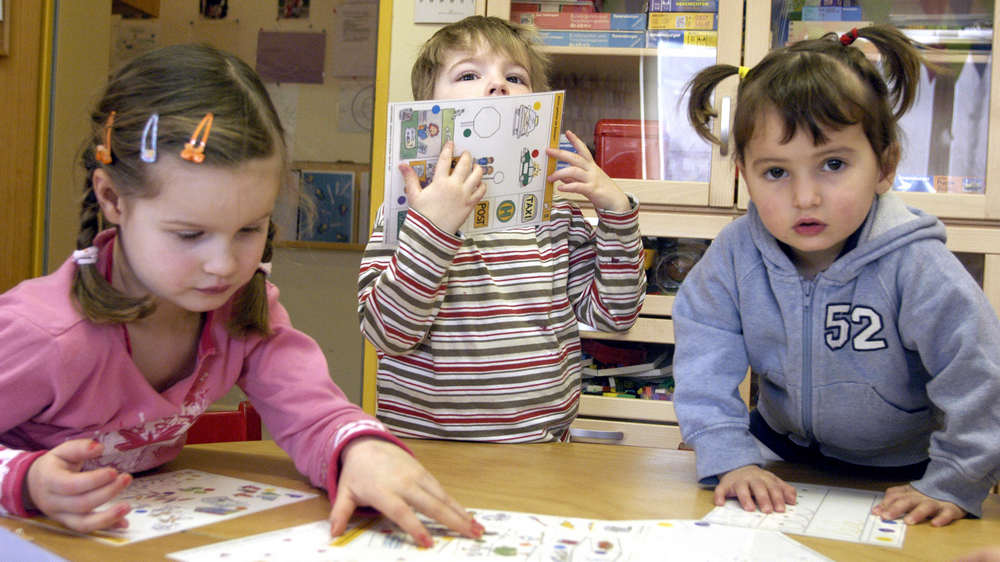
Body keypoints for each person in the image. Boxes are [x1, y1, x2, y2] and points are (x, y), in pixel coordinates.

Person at [0, 44, 483, 548]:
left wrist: (360, 451)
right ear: (113, 200)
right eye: (189, 235)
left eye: (249, 229)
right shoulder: (43, 333)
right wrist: (26, 480)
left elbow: (314, 414)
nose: (224, 265)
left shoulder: (241, 310)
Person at [672, 25, 1000, 526]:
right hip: (780, 454)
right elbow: (704, 350)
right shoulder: (735, 253)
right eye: (776, 172)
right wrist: (725, 449)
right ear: (743, 173)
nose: (805, 198)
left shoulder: (917, 265)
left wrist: (956, 479)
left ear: (884, 165)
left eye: (832, 164)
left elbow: (977, 375)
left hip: (907, 472)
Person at [358, 16, 646, 442]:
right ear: (426, 110)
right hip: (427, 447)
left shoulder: (555, 216)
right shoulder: (406, 211)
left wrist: (616, 212)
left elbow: (614, 313)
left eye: (515, 77)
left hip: (540, 446)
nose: (498, 86)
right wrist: (433, 227)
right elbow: (388, 332)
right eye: (470, 74)